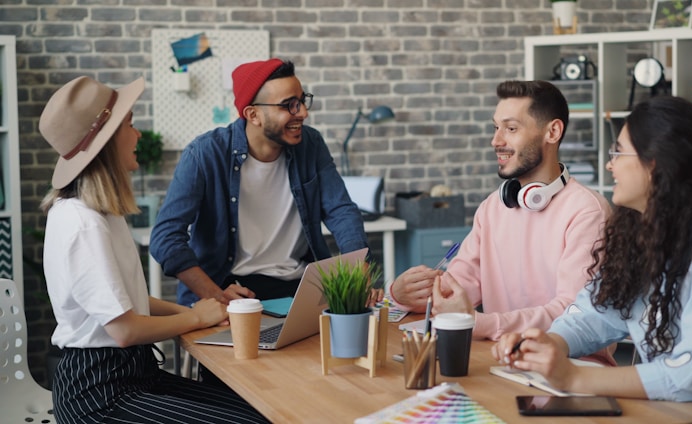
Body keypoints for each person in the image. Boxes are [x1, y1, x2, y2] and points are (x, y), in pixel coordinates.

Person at [492, 96, 692, 422]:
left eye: (617, 152)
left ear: (655, 163)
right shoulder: (641, 231)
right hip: (655, 414)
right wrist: (550, 344)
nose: (609, 164)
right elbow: (595, 313)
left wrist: (574, 378)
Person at [38, 76, 269, 423]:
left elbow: (128, 303)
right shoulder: (81, 223)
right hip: (99, 395)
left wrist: (209, 310)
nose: (138, 135)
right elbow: (125, 330)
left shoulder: (102, 214)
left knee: (259, 409)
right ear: (105, 143)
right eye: (130, 125)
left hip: (134, 375)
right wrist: (194, 317)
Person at [391, 80, 614, 352]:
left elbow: (572, 312)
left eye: (510, 128)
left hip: (569, 365)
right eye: (496, 128)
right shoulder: (493, 208)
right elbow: (456, 289)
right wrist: (400, 294)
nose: (496, 141)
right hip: (504, 359)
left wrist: (481, 323)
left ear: (552, 132)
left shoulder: (587, 211)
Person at [150, 58, 371, 307]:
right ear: (253, 115)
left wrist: (357, 266)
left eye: (302, 100)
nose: (303, 113)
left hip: (300, 287)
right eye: (289, 105)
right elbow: (165, 238)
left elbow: (339, 209)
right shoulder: (204, 154)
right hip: (231, 290)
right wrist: (215, 295)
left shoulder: (310, 144)